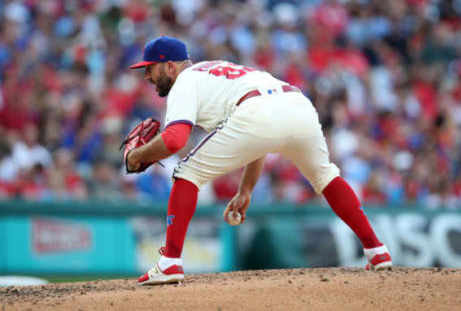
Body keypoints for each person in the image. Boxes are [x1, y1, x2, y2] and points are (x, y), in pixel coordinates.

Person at [127, 36, 392, 285]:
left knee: (187, 173)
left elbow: (175, 139)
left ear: (170, 66)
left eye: (150, 68)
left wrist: (136, 155)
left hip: (257, 110)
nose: (147, 75)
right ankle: (376, 250)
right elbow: (261, 133)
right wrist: (246, 189)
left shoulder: (185, 81)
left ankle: (170, 261)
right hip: (297, 104)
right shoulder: (217, 70)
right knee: (326, 176)